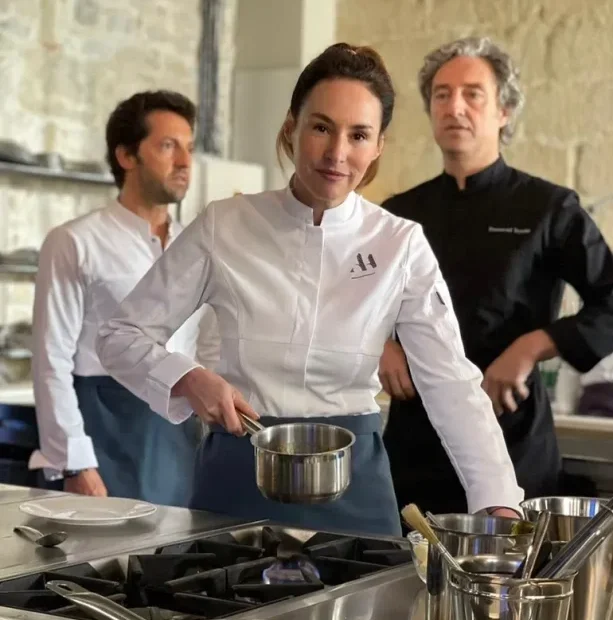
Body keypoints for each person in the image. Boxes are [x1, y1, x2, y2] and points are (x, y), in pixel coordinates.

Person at [96, 43, 523, 536]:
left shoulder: (399, 244)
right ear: (290, 128)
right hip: (238, 475)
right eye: (321, 127)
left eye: (358, 135)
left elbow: (450, 382)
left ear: (378, 146)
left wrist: (498, 500)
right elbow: (119, 335)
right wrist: (187, 377)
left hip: (353, 485)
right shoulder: (224, 225)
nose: (337, 153)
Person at [379, 37, 613, 519]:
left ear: (504, 111)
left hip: (512, 438)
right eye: (441, 94)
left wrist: (531, 347)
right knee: (407, 565)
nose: (454, 107)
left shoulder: (548, 208)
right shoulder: (399, 214)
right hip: (415, 448)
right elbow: (352, 304)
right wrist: (381, 345)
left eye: (473, 94)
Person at [30, 89, 219, 506]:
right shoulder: (74, 242)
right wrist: (76, 465)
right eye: (168, 146)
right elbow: (50, 359)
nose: (185, 162)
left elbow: (207, 345)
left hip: (181, 437)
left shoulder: (198, 245)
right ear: (126, 156)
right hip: (103, 433)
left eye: (189, 148)